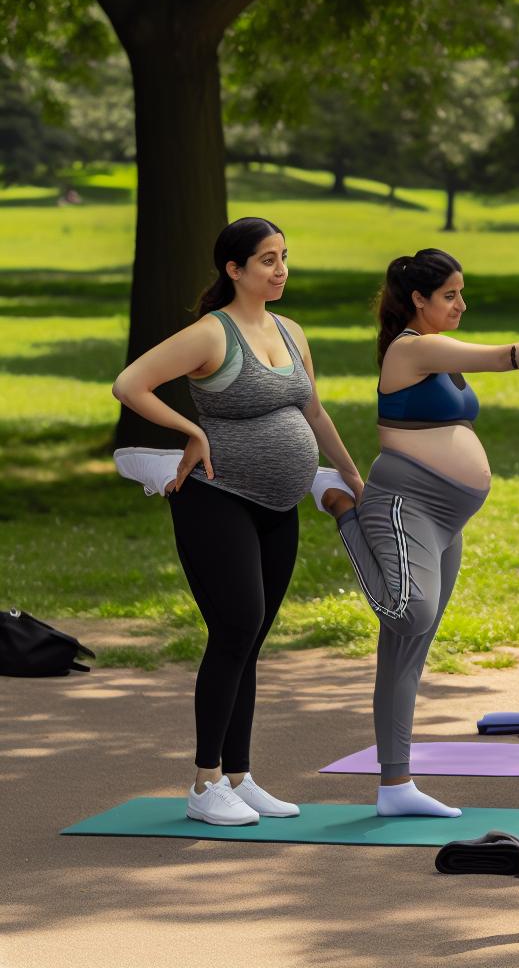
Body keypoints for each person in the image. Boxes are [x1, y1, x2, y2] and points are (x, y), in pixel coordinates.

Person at [318, 249, 519, 818]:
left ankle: (395, 786)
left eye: (461, 293)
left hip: (446, 518)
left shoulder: (438, 348)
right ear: (418, 300)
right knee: (409, 614)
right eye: (450, 295)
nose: (461, 304)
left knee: (407, 652)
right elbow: (502, 357)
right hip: (404, 503)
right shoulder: (411, 347)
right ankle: (340, 506)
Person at [112, 217, 364, 826]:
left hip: (279, 506)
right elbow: (129, 384)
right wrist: (192, 431)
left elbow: (314, 412)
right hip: (216, 500)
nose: (280, 270)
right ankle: (204, 785)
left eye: (284, 257)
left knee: (250, 639)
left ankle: (239, 777)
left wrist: (354, 477)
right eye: (267, 260)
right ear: (234, 269)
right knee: (235, 629)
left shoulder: (290, 330)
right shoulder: (210, 333)